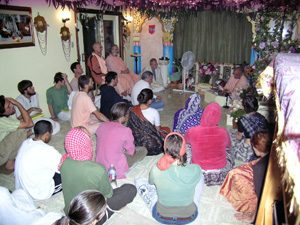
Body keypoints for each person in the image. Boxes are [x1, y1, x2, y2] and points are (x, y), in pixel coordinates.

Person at [60, 125, 137, 224]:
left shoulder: (63, 162)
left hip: (70, 213)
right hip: (88, 218)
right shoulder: (97, 169)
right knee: (130, 189)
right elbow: (108, 194)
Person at [145, 132, 203, 224]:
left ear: (165, 149)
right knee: (200, 177)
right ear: (184, 150)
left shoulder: (156, 169)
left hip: (162, 216)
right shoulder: (196, 169)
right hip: (189, 217)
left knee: (140, 183)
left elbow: (150, 183)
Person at [220, 130, 272, 223]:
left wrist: (253, 218)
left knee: (235, 173)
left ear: (255, 147)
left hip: (261, 197)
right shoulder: (269, 156)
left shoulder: (260, 168)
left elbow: (261, 195)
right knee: (234, 172)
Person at [185, 102, 234, 186]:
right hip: (220, 170)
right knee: (230, 150)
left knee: (186, 146)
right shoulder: (223, 131)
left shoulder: (192, 130)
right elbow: (228, 146)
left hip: (198, 169)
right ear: (218, 117)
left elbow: (185, 141)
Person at [95, 102, 147, 179]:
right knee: (143, 150)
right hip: (113, 167)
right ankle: (126, 168)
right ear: (124, 116)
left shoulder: (101, 125)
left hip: (99, 164)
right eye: (128, 115)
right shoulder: (125, 130)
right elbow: (131, 153)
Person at [14, 120, 62, 201]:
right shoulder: (47, 150)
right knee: (70, 173)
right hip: (38, 193)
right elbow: (64, 167)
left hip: (21, 190)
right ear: (47, 134)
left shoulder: (25, 143)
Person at [127, 88, 169, 156]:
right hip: (149, 142)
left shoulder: (132, 109)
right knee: (166, 130)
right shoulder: (154, 112)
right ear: (150, 101)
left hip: (135, 140)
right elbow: (157, 130)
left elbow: (130, 127)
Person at [0, 95, 33, 170]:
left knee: (21, 129)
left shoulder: (4, 118)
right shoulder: (2, 121)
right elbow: (29, 123)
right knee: (21, 130)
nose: (12, 106)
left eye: (11, 103)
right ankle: (10, 163)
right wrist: (18, 104)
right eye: (9, 106)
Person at [231, 96, 268, 162]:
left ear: (245, 107)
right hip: (262, 145)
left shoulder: (242, 119)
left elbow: (239, 137)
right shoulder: (262, 118)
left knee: (232, 135)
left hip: (248, 148)